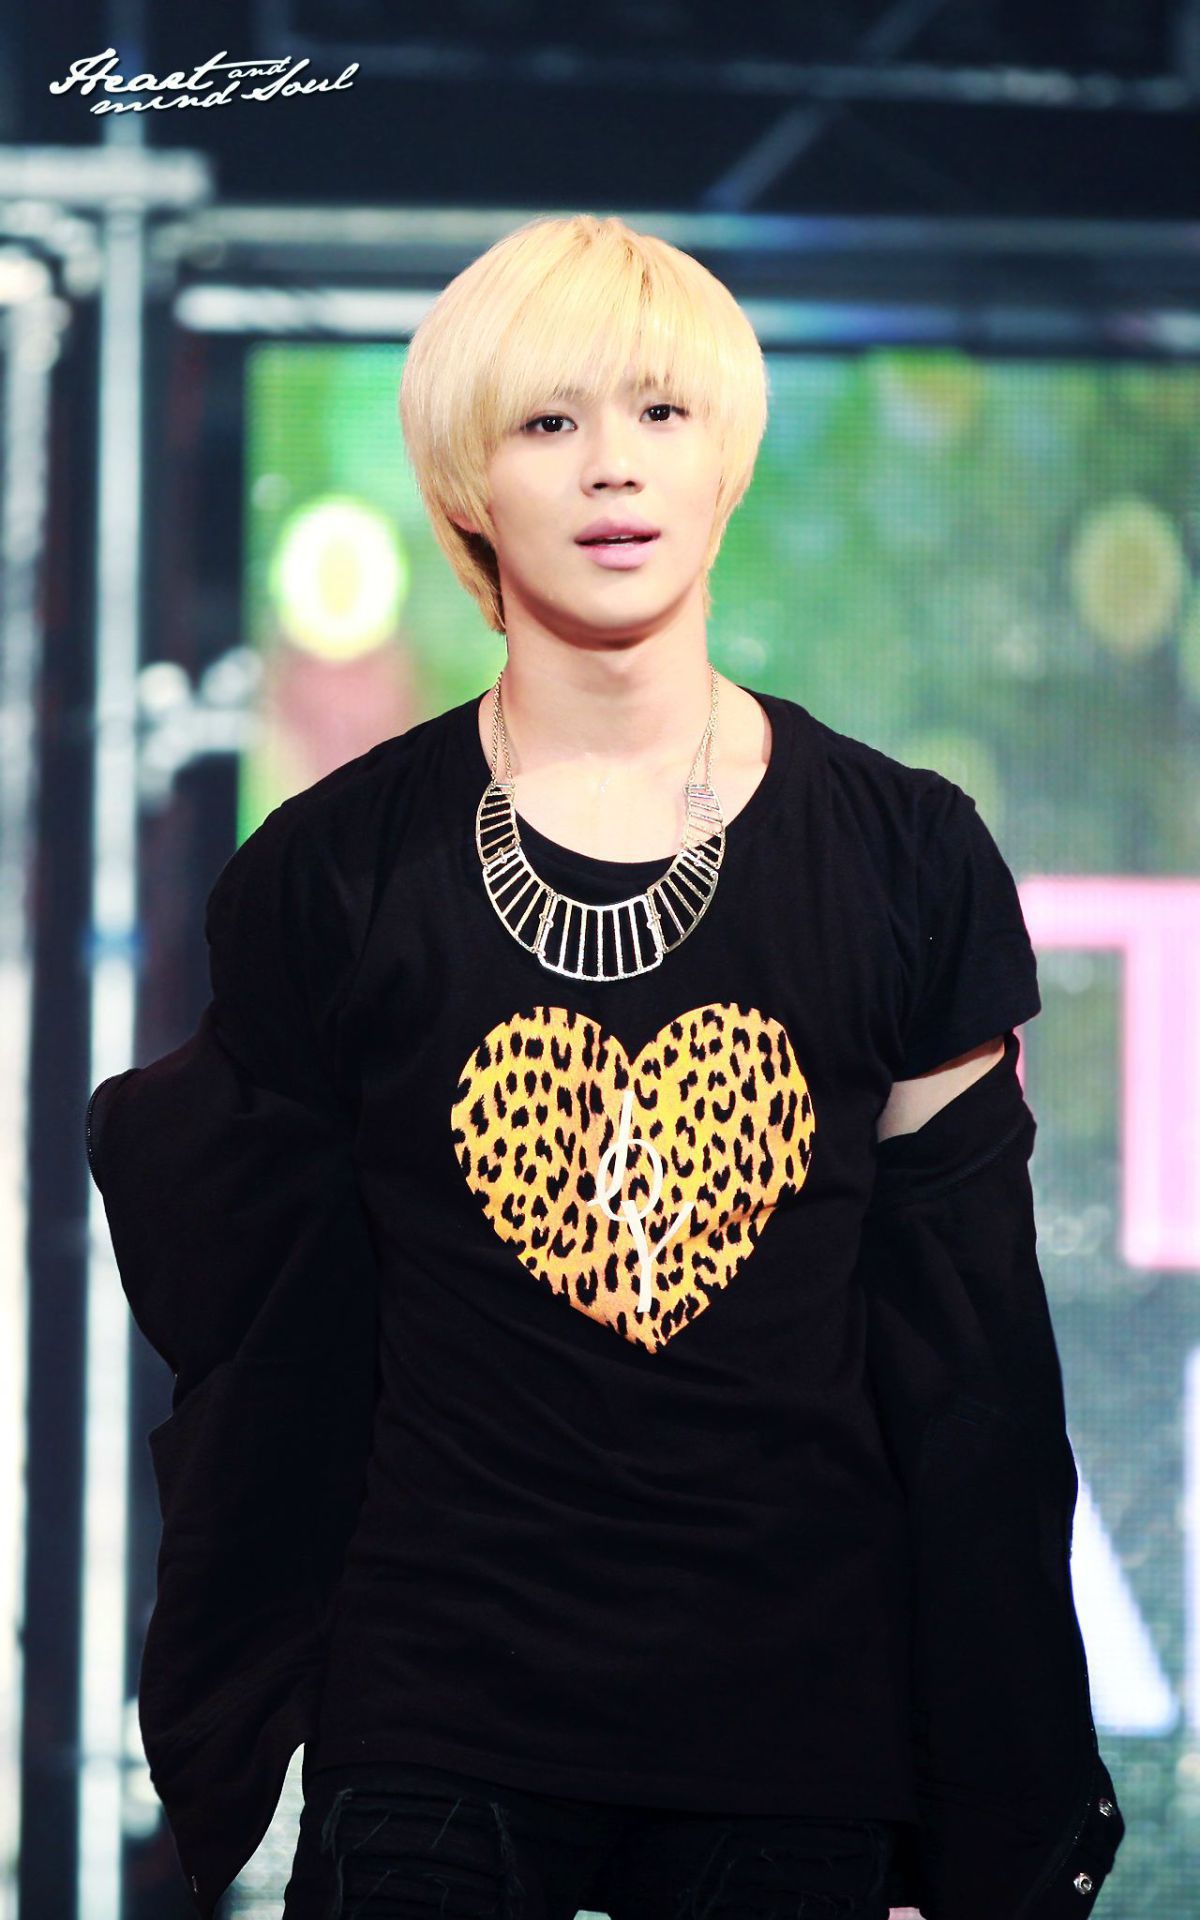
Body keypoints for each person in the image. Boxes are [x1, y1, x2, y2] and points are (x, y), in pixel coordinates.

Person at [87, 213, 1124, 1919]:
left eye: (661, 412)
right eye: (549, 422)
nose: (613, 468)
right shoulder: (336, 870)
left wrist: (999, 1792)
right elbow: (270, 1328)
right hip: (436, 1713)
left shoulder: (904, 855)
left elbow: (969, 1357)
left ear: (729, 458)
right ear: (467, 482)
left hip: (795, 1716)